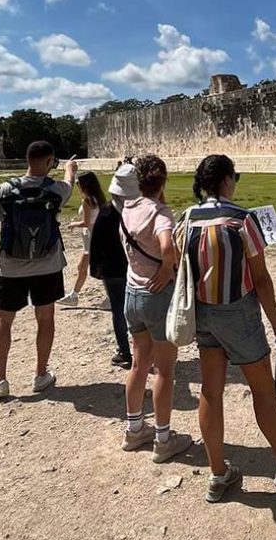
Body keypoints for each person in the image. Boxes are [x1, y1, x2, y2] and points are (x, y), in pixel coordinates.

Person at [183, 154, 276, 502]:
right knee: (264, 391)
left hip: (204, 313)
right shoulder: (241, 220)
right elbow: (261, 280)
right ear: (228, 180)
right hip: (238, 314)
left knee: (211, 392)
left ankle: (218, 473)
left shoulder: (187, 219)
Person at [0, 142, 77, 399]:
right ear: (49, 162)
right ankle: (40, 374)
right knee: (45, 319)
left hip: (11, 269)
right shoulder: (56, 191)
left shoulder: (5, 189)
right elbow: (69, 182)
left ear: (27, 158)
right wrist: (70, 168)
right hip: (48, 266)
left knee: (2, 320)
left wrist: (2, 253)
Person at [113, 155, 194, 462]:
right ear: (163, 181)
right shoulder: (160, 213)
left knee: (138, 364)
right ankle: (163, 438)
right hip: (155, 296)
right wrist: (166, 270)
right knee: (164, 370)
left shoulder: (127, 208)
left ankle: (135, 430)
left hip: (131, 294)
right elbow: (166, 247)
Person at [76, 171, 132, 369]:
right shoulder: (141, 211)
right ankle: (147, 351)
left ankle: (124, 351)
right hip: (136, 267)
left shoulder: (107, 212)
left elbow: (96, 244)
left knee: (118, 309)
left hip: (113, 268)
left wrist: (96, 270)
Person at [59, 172, 108, 309]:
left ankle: (74, 296)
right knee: (84, 267)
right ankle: (74, 295)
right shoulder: (98, 198)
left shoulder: (87, 200)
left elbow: (86, 222)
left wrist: (73, 224)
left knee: (87, 268)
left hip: (90, 238)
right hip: (95, 236)